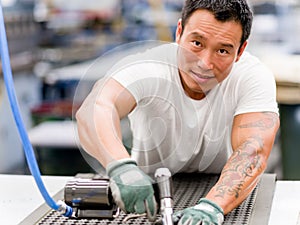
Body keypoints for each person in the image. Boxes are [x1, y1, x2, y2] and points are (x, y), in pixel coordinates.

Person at [76, 0, 280, 224]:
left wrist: (213, 207)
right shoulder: (148, 66)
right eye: (196, 43)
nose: (204, 63)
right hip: (145, 196)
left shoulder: (252, 76)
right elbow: (96, 107)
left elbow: (253, 150)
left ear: (240, 50)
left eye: (222, 50)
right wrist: (121, 167)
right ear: (179, 32)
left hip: (222, 195)